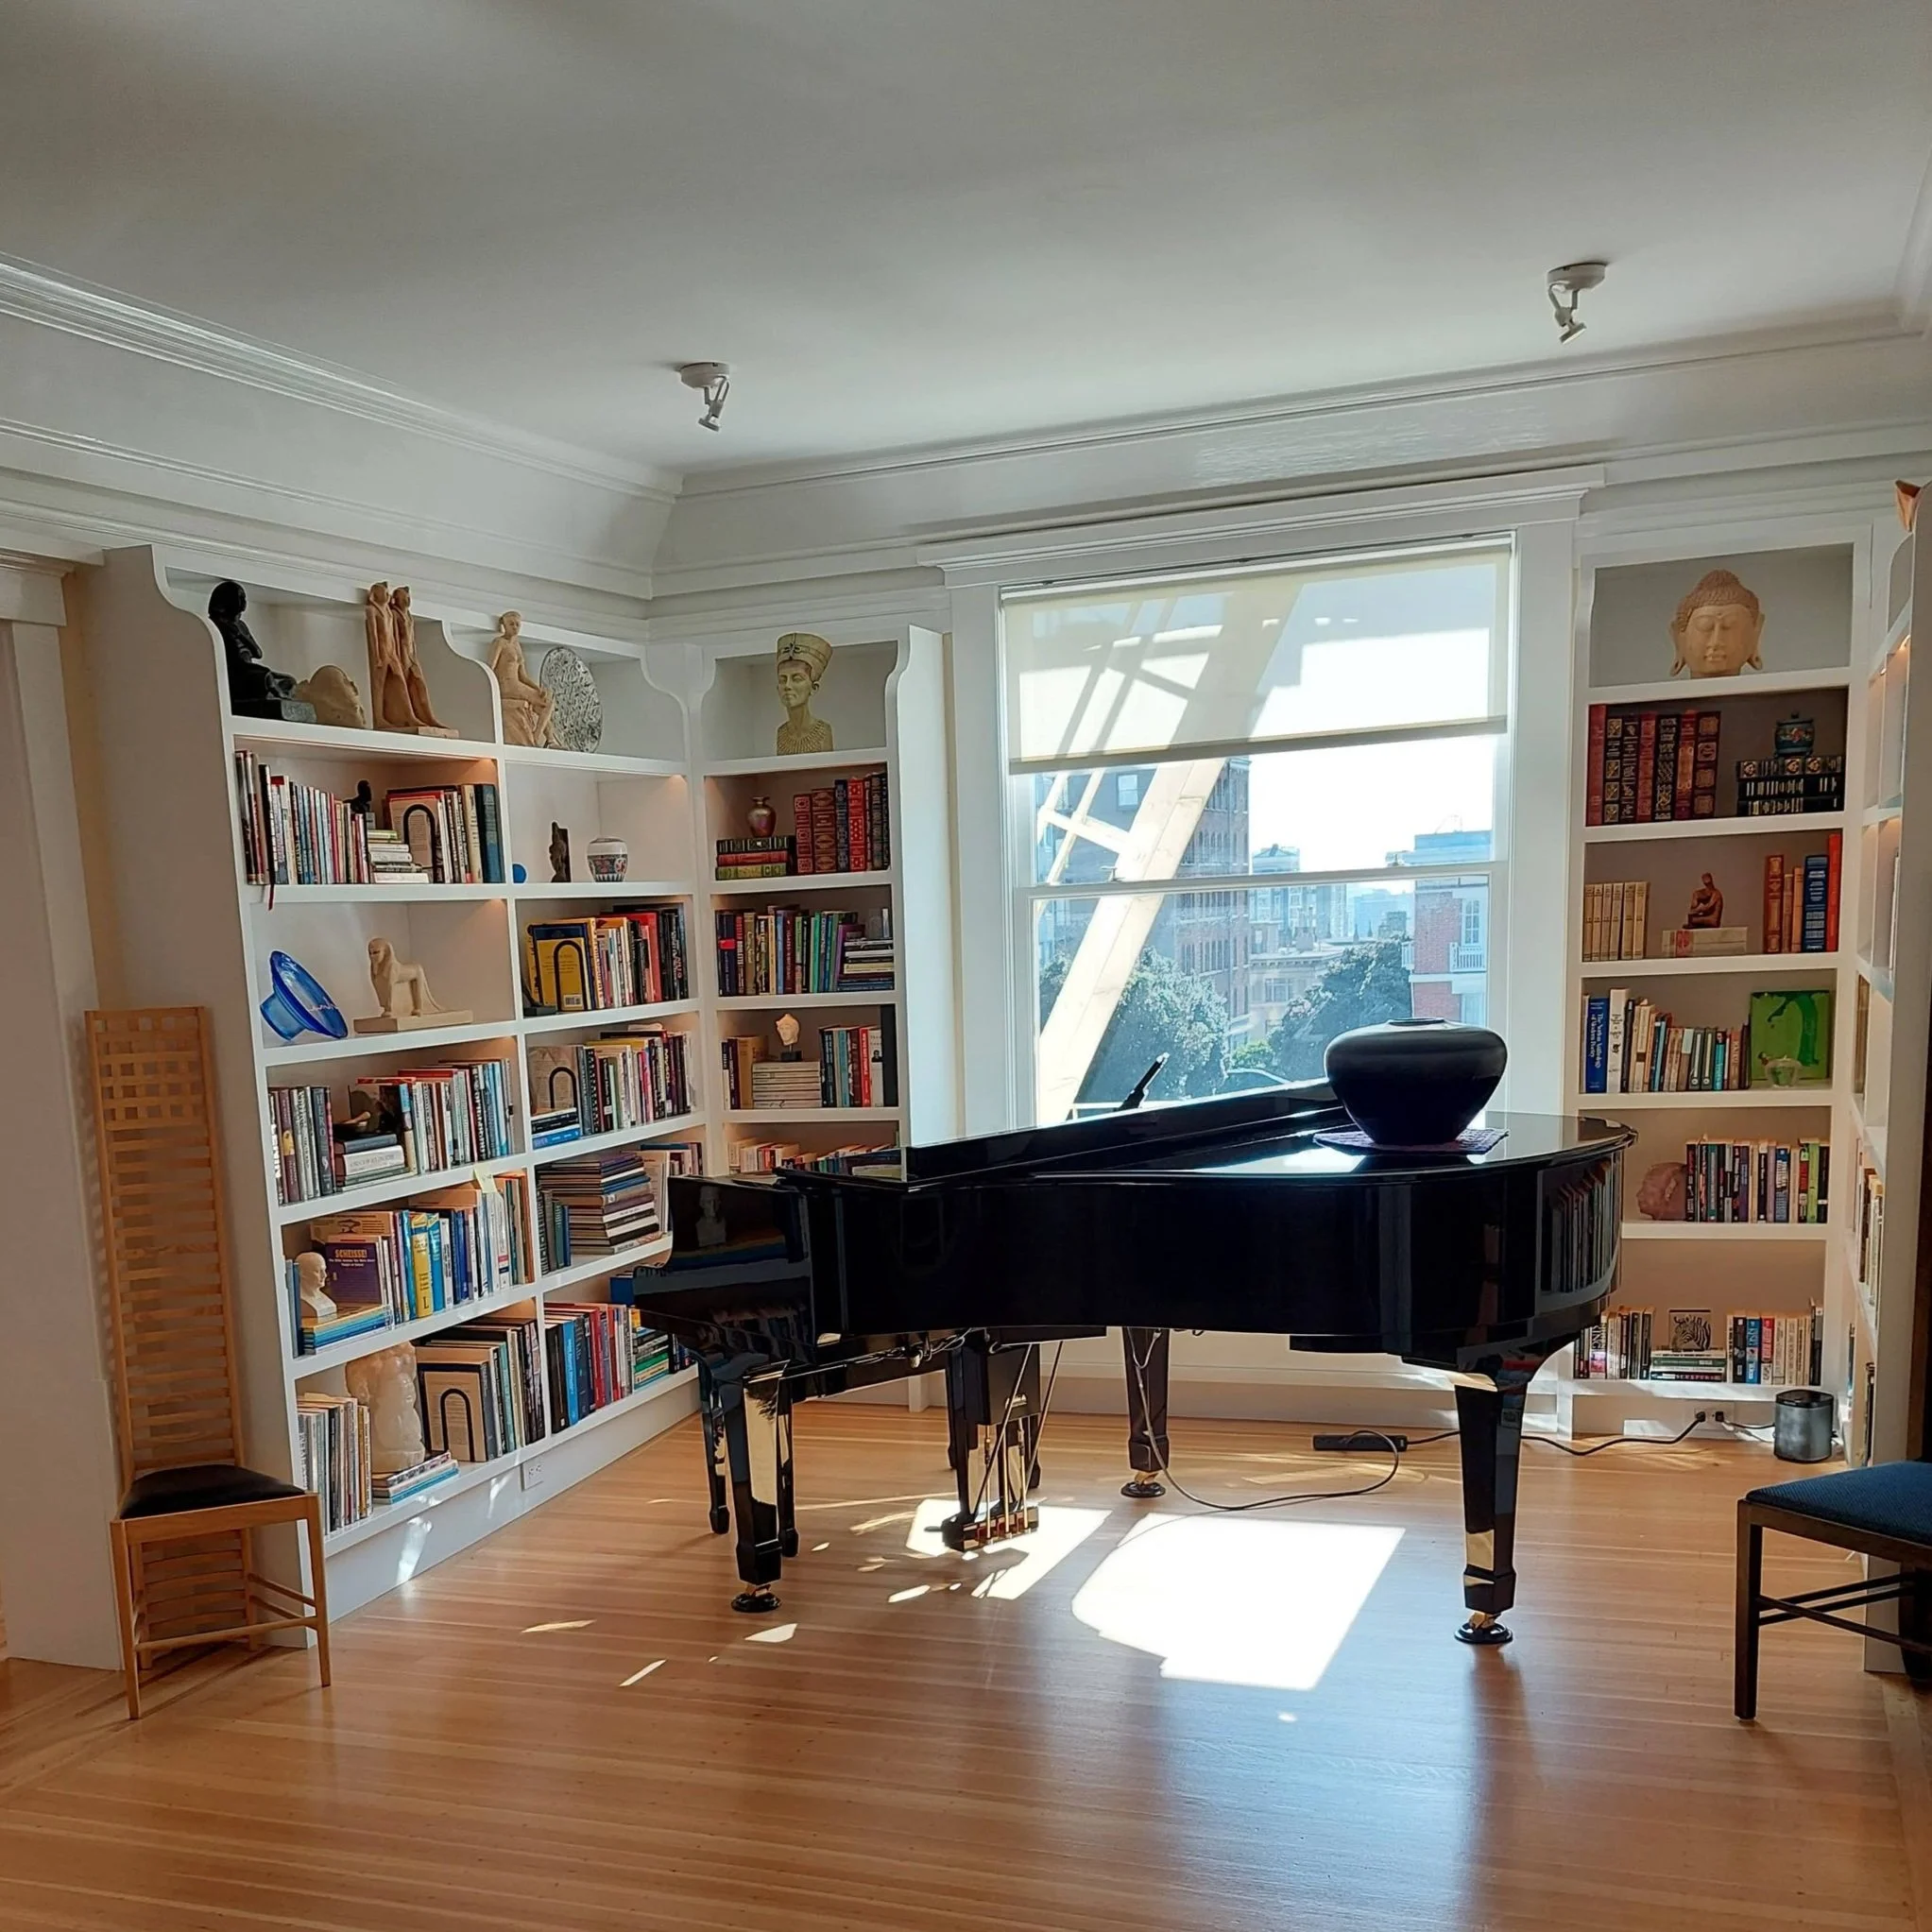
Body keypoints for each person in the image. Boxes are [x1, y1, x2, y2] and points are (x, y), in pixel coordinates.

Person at [774, 631, 835, 754]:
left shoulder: (823, 732)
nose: (788, 686)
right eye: (782, 680)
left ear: (813, 687)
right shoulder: (781, 733)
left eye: (797, 679)